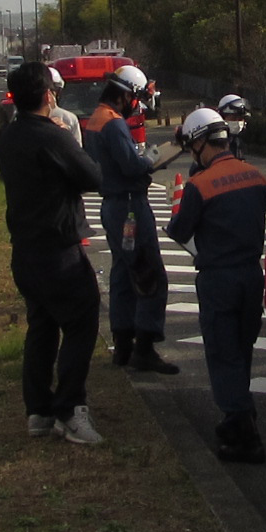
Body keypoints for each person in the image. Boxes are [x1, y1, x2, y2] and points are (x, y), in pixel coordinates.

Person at [0, 61, 106, 446]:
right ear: (47, 95)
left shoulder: (9, 138)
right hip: (59, 250)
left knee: (41, 328)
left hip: (24, 250)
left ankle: (38, 411)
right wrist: (67, 142)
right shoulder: (52, 136)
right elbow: (92, 176)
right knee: (82, 321)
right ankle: (70, 409)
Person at [164, 106, 266, 463]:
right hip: (251, 277)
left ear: (198, 143)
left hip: (219, 279)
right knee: (242, 350)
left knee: (222, 352)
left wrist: (171, 218)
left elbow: (181, 231)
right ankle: (244, 410)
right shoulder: (257, 177)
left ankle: (242, 430)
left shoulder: (199, 185)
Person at [82, 64, 176, 375]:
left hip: (111, 205)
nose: (137, 106)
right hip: (129, 206)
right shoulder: (114, 123)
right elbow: (131, 166)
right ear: (126, 97)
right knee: (149, 274)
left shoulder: (96, 119)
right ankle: (145, 348)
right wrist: (152, 158)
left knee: (123, 274)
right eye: (135, 100)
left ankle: (122, 347)